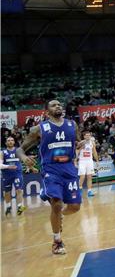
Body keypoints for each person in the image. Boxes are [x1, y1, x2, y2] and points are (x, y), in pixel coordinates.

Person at [18, 100, 81, 255]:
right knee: (57, 204)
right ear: (47, 112)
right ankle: (57, 242)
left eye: (60, 104)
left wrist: (81, 143)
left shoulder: (72, 125)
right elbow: (20, 149)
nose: (58, 106)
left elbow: (77, 142)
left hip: (70, 169)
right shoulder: (39, 128)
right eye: (53, 105)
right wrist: (23, 158)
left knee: (74, 207)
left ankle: (60, 217)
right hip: (51, 170)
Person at [1, 136, 30, 216]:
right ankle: (8, 207)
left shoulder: (18, 151)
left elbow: (24, 159)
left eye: (12, 140)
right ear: (6, 143)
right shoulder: (2, 152)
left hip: (17, 174)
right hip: (6, 175)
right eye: (8, 140)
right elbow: (0, 165)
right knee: (7, 192)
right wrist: (8, 166)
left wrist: (28, 167)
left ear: (14, 142)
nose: (10, 141)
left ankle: (19, 207)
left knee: (19, 190)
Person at [76, 130, 99, 197]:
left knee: (89, 176)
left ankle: (89, 191)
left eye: (89, 135)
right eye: (86, 135)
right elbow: (76, 151)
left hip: (90, 161)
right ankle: (80, 189)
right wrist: (76, 158)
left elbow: (94, 152)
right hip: (82, 161)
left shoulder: (92, 143)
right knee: (82, 176)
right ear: (84, 136)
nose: (88, 136)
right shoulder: (81, 143)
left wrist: (97, 160)